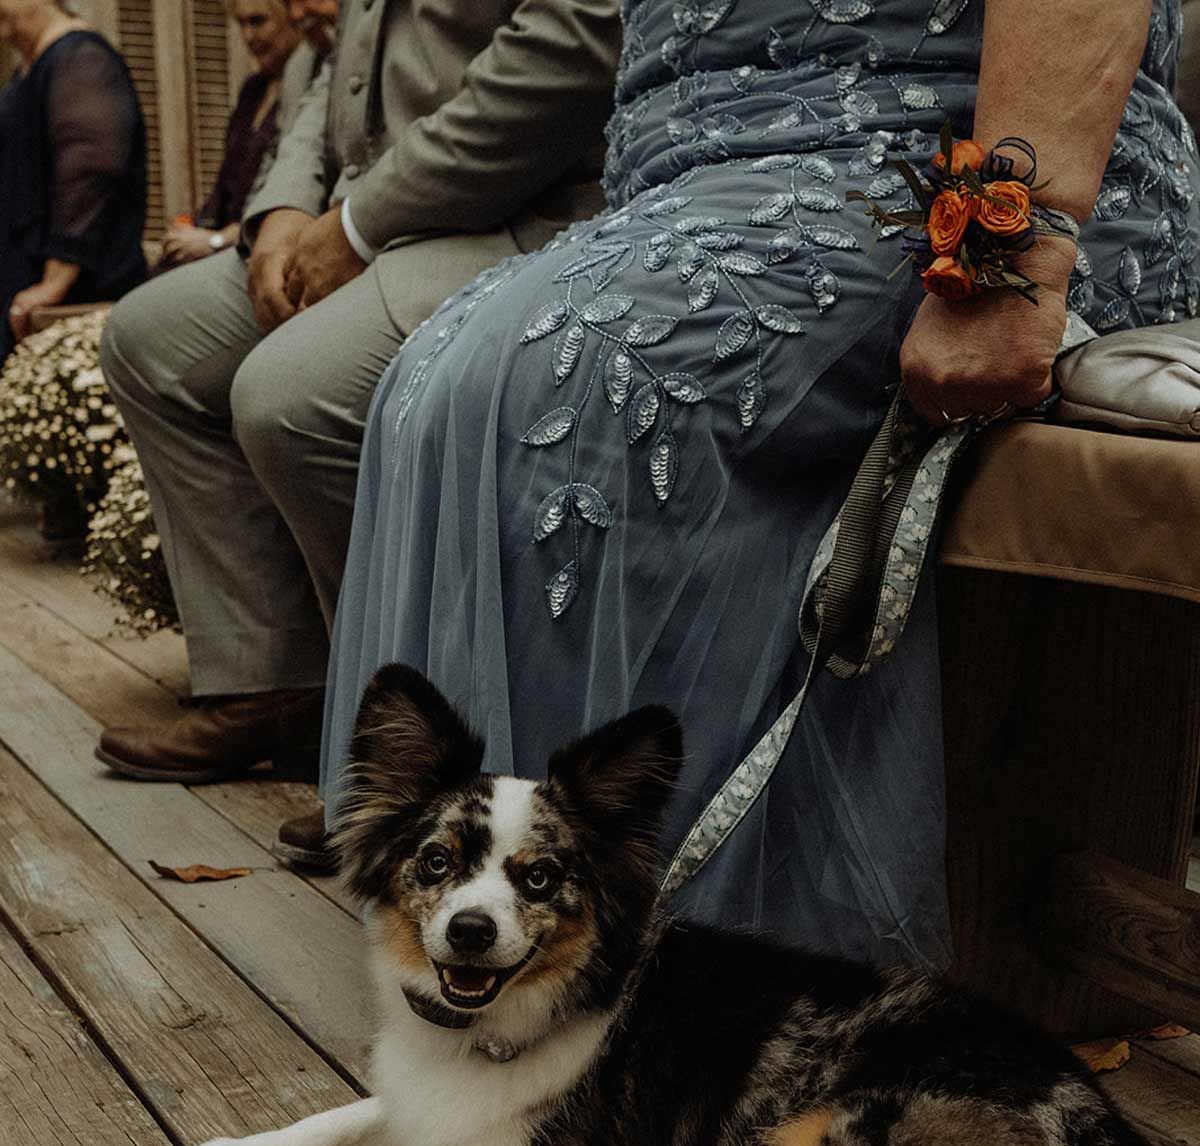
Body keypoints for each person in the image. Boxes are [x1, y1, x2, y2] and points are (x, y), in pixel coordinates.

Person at [315, 0, 1200, 966]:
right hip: (690, 190)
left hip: (927, 168)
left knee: (587, 375)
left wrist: (1011, 251)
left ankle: (686, 983)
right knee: (431, 377)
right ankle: (501, 931)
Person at [94, 0, 622, 794]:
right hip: (352, 211)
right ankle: (277, 684)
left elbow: (576, 42)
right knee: (151, 340)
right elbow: (334, 72)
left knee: (290, 398)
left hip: (511, 209)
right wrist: (279, 212)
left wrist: (359, 226)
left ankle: (411, 761)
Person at [0, 0, 146, 362]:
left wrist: (54, 283)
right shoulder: (31, 67)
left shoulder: (80, 56)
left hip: (75, 294)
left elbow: (90, 168)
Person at [158, 0, 302, 271]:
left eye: (258, 22)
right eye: (241, 24)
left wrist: (216, 240)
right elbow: (226, 186)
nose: (248, 36)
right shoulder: (253, 89)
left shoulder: (308, 93)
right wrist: (191, 231)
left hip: (262, 250)